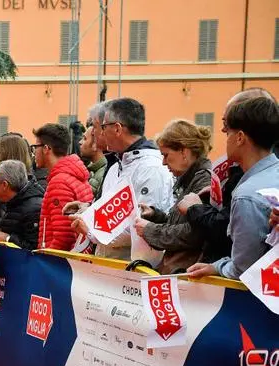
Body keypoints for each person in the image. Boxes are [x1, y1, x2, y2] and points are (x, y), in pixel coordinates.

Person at [179, 88, 278, 264]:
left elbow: (243, 268)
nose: (224, 132)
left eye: (228, 129)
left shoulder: (246, 195)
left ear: (240, 137)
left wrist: (218, 267)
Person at [71, 98, 174, 260]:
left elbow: (143, 228)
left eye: (103, 127)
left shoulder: (151, 169)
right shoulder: (115, 167)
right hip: (109, 266)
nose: (100, 133)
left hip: (135, 272)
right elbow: (111, 215)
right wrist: (89, 211)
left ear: (117, 129)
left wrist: (91, 231)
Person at [133, 119, 213, 274]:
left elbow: (193, 233)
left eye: (166, 155)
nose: (163, 162)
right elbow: (184, 222)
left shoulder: (204, 180)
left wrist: (151, 230)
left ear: (184, 151)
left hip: (188, 274)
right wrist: (156, 216)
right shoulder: (192, 178)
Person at [32, 123, 92, 251]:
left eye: (35, 147)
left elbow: (63, 237)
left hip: (60, 263)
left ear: (46, 149)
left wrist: (45, 261)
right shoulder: (74, 173)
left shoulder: (59, 182)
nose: (33, 153)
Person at [79, 125, 108, 199]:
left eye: (84, 139)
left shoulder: (103, 174)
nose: (80, 142)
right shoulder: (93, 170)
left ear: (95, 144)